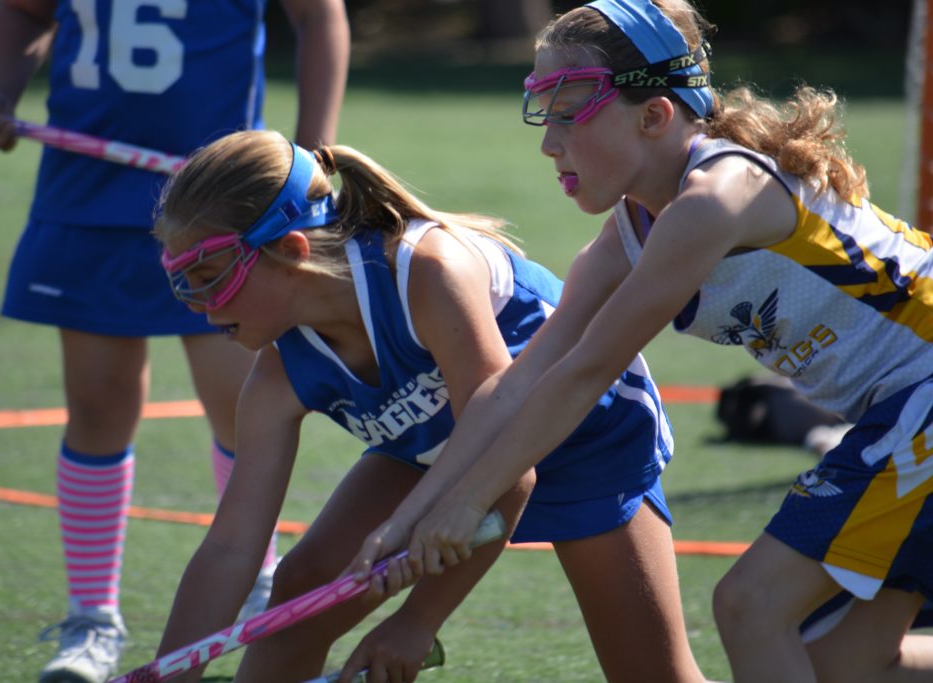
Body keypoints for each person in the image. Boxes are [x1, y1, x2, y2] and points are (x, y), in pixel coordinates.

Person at [348, 1, 933, 682]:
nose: (549, 143)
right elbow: (517, 381)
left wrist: (469, 501)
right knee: (845, 664)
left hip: (919, 392)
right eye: (544, 114)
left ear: (654, 115)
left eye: (570, 113)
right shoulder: (630, 233)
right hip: (899, 407)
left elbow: (586, 371)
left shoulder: (714, 200)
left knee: (750, 606)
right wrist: (406, 520)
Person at [151, 128, 704, 683]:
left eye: (211, 278)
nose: (199, 306)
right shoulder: (278, 376)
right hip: (440, 446)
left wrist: (418, 620)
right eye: (184, 284)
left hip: (589, 437)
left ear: (293, 251)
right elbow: (230, 547)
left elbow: (508, 469)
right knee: (303, 587)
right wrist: (168, 674)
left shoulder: (426, 271)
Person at [0, 2, 349, 682]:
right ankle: (91, 619)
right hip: (86, 191)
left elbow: (320, 15)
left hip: (222, 208)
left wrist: (312, 150)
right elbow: (24, 13)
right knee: (98, 406)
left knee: (244, 407)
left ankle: (258, 591)